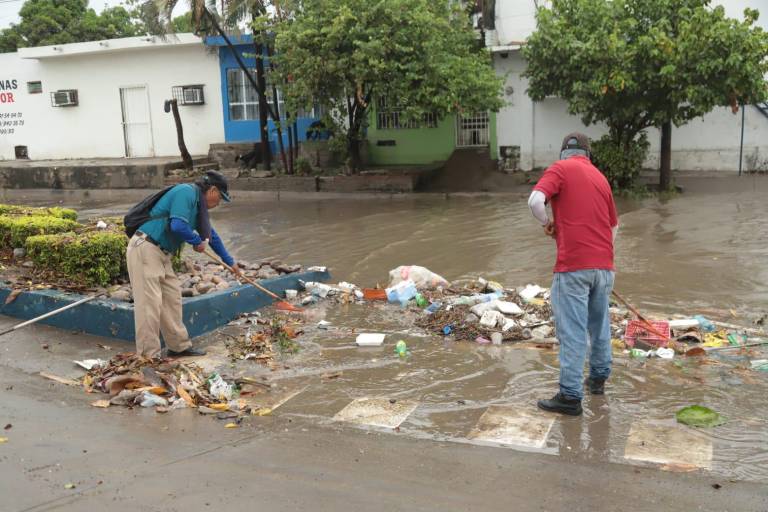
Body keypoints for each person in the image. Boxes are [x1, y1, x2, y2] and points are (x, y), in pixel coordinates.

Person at [528, 133, 619, 416]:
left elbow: (535, 200)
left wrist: (547, 222)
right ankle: (598, 380)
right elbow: (614, 226)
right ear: (588, 154)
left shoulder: (560, 168)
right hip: (604, 268)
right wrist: (599, 257)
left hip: (573, 268)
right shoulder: (600, 178)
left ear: (563, 152)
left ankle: (569, 396)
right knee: (599, 325)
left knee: (573, 332)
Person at [126, 170, 240, 359]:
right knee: (149, 305)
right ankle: (148, 357)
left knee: (172, 300)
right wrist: (196, 241)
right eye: (220, 197)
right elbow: (177, 225)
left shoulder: (197, 207)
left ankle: (178, 347)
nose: (219, 203)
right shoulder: (185, 193)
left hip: (162, 254)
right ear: (212, 190)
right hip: (145, 248)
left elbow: (212, 236)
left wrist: (230, 262)